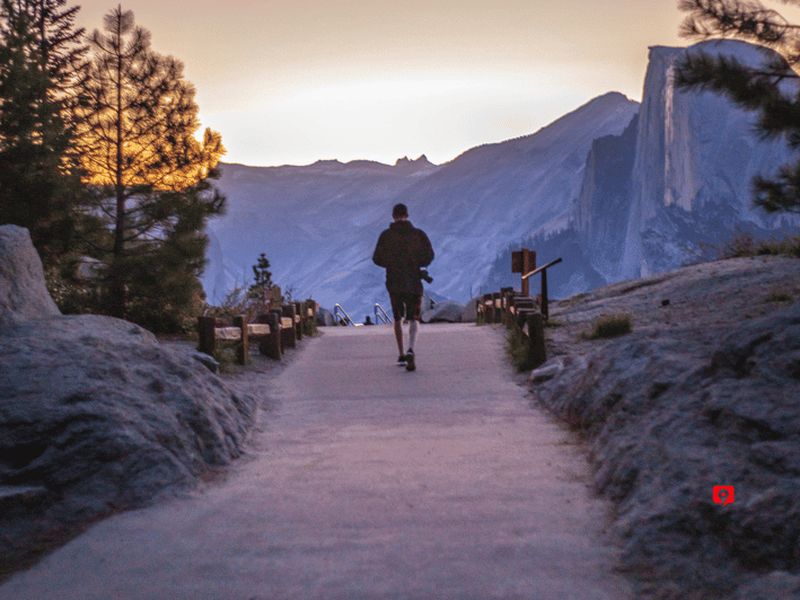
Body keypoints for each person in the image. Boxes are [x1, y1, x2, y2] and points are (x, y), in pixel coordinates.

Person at [372, 202, 434, 371]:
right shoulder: (418, 234)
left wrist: (391, 264)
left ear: (393, 216)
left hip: (394, 281)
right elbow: (429, 256)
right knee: (414, 317)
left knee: (397, 317)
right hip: (414, 280)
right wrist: (417, 263)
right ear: (407, 215)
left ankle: (400, 354)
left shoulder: (386, 236)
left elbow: (376, 258)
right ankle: (411, 349)